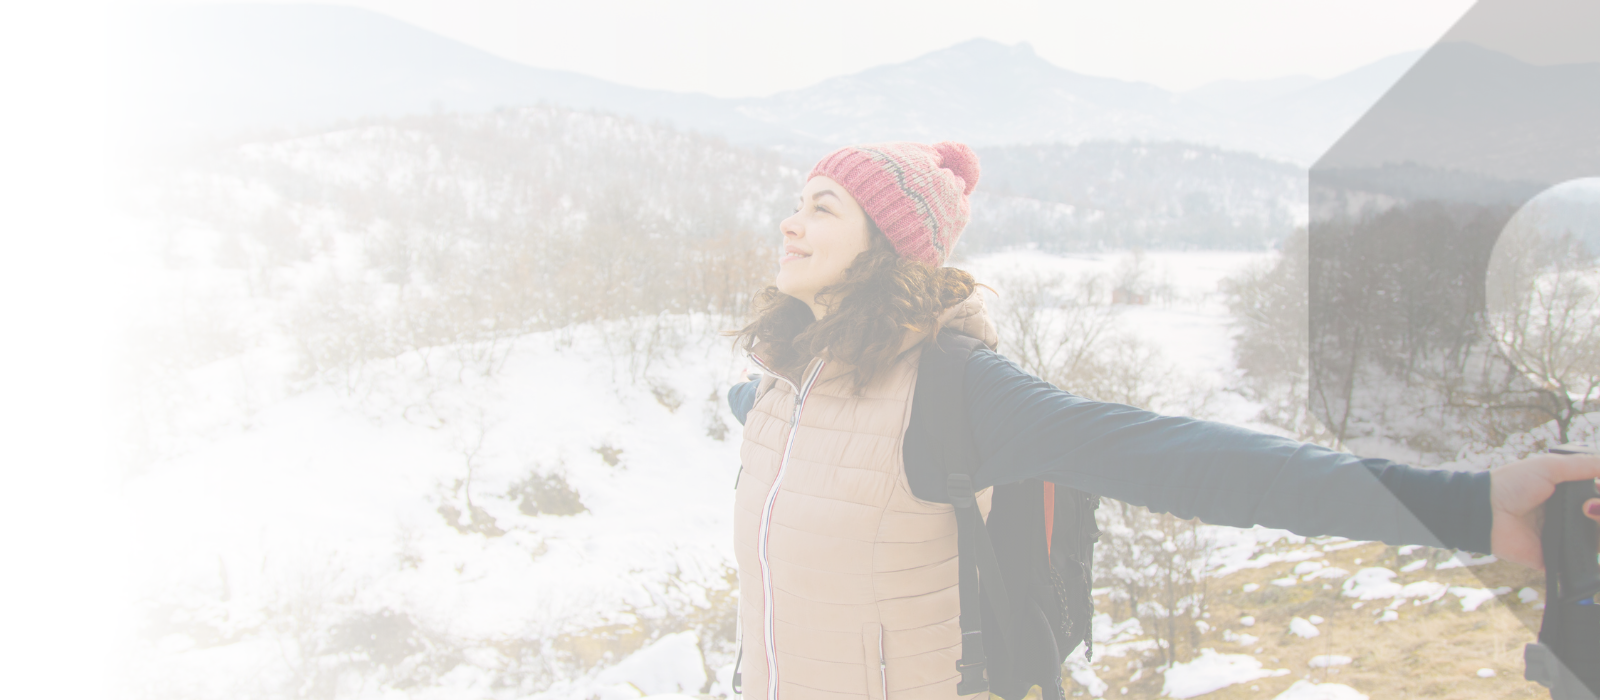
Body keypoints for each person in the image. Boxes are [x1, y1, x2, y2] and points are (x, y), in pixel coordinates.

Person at [723, 141, 1600, 700]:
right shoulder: (786, 381)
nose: (791, 225)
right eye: (799, 202)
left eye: (822, 207)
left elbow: (1190, 460)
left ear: (889, 244)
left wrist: (1467, 504)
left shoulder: (959, 393)